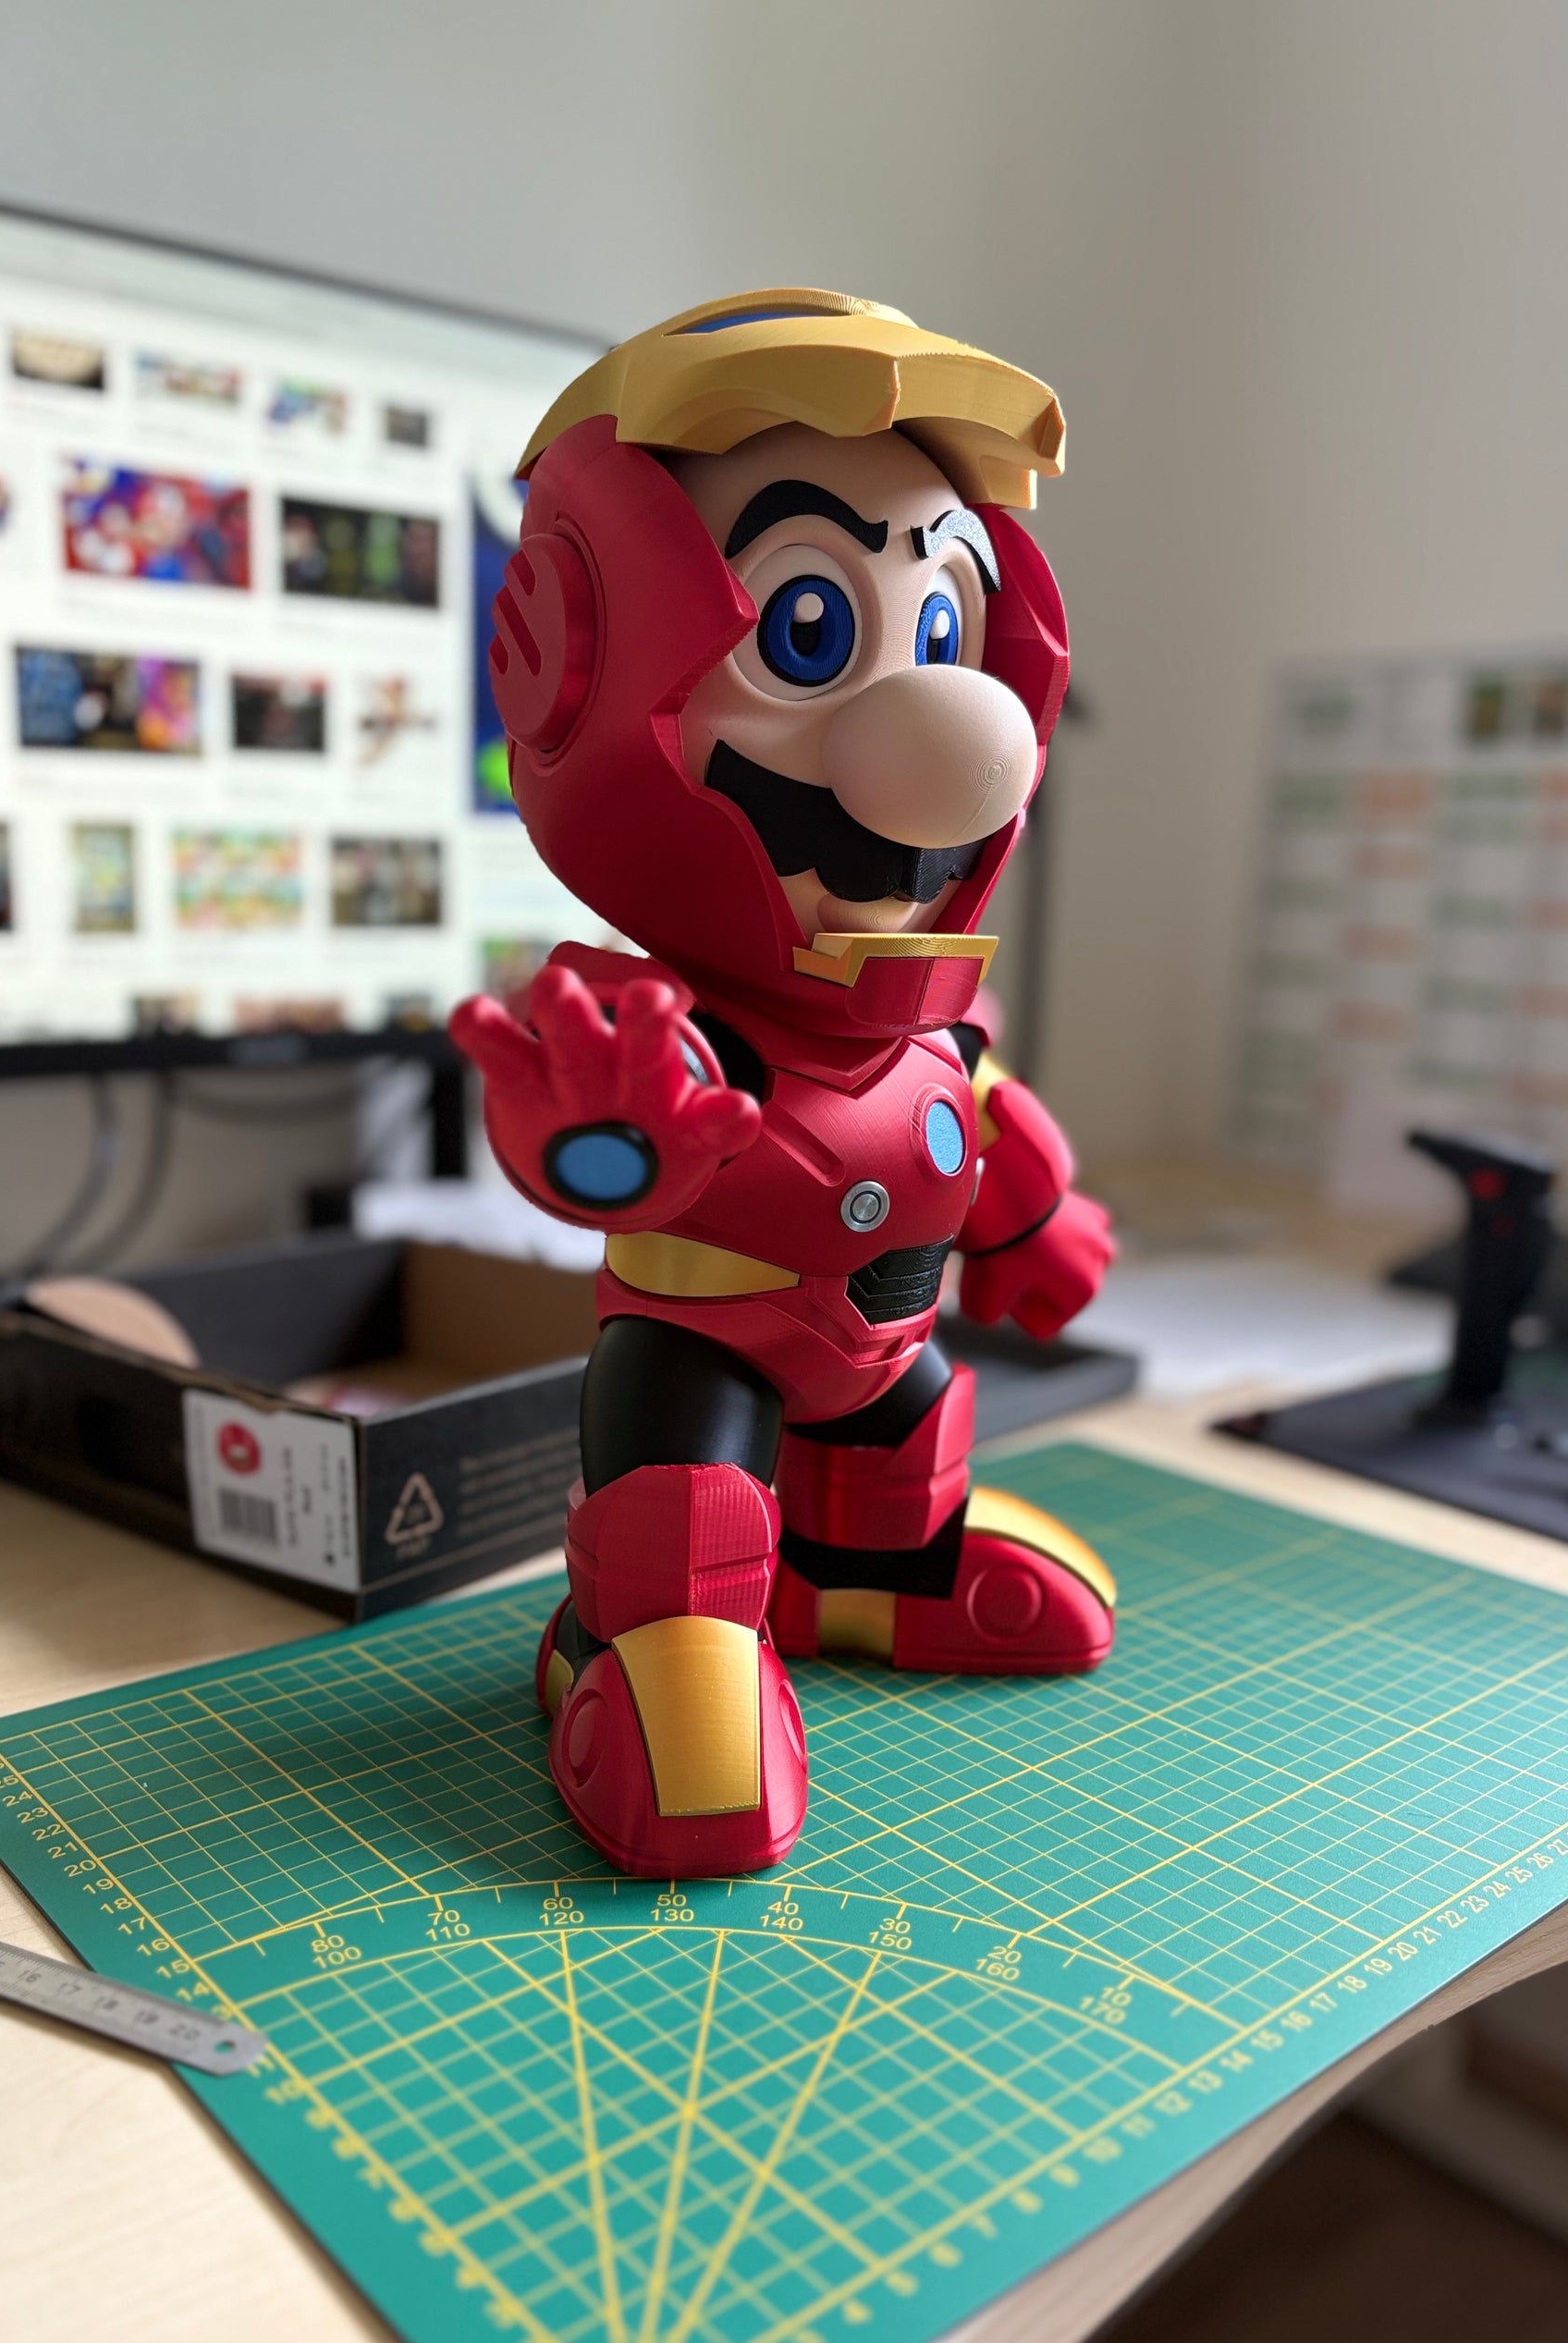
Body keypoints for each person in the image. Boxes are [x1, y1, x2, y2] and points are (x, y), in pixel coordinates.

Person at [453, 290, 1116, 1880]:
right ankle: (626, 1646)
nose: (947, 722)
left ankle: (871, 1574)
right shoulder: (667, 1027)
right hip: (708, 1358)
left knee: (905, 1460)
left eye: (944, 634)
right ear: (586, 656)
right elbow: (595, 1149)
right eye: (808, 630)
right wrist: (609, 1131)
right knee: (686, 1533)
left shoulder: (929, 1015)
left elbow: (969, 1112)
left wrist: (1031, 1220)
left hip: (884, 1343)